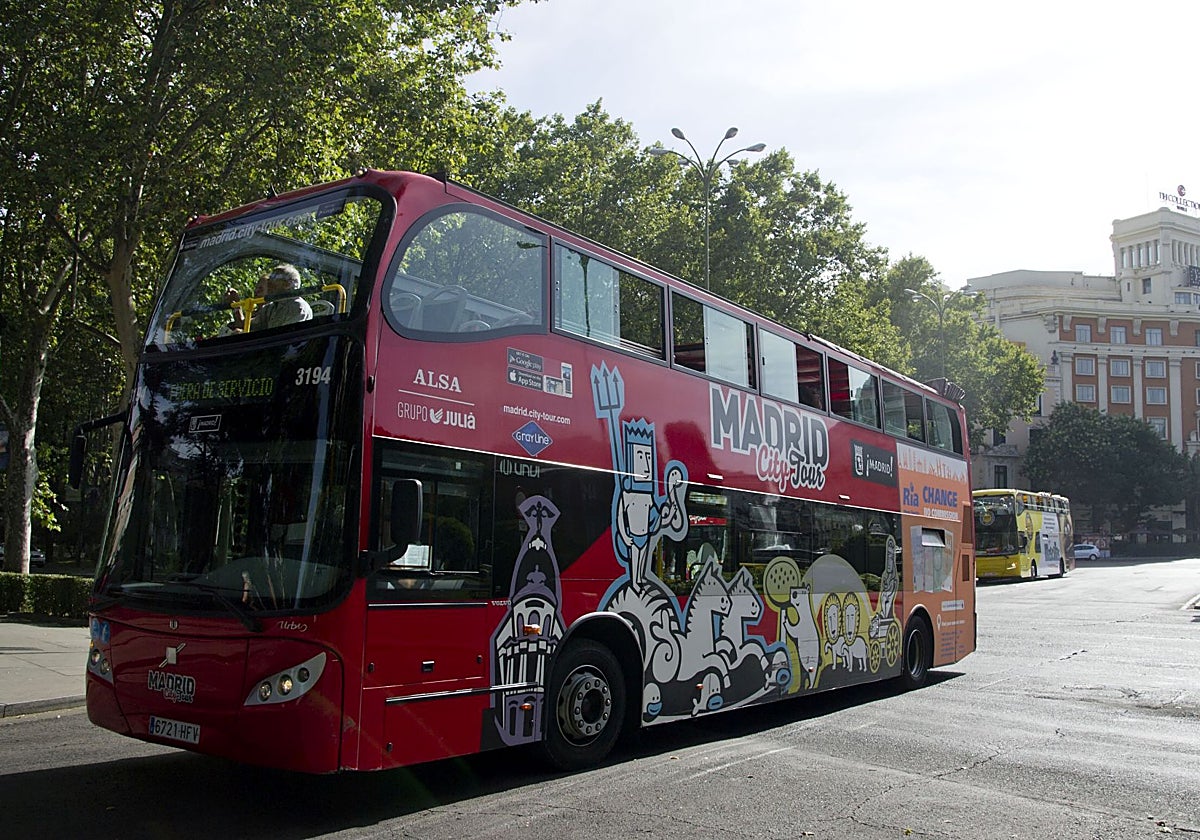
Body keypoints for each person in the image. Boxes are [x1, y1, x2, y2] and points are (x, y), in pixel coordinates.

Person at [252, 263, 312, 330]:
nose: (268, 281)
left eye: (275, 277)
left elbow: (286, 337)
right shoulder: (270, 307)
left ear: (288, 284)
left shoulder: (298, 307)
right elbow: (248, 325)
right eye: (270, 277)